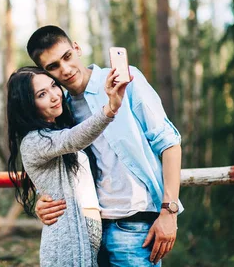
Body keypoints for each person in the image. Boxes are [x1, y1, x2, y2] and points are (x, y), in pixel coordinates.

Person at [28, 26, 182, 266]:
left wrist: (169, 212)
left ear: (77, 48)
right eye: (53, 66)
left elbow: (169, 143)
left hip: (135, 229)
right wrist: (44, 203)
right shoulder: (61, 110)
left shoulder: (125, 80)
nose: (65, 70)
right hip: (87, 236)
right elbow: (57, 168)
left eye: (67, 56)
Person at [7, 66, 129, 266]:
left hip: (87, 240)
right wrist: (110, 108)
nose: (55, 96)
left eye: (54, 86)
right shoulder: (34, 141)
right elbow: (74, 139)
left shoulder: (57, 130)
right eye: (42, 94)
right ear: (27, 105)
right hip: (67, 244)